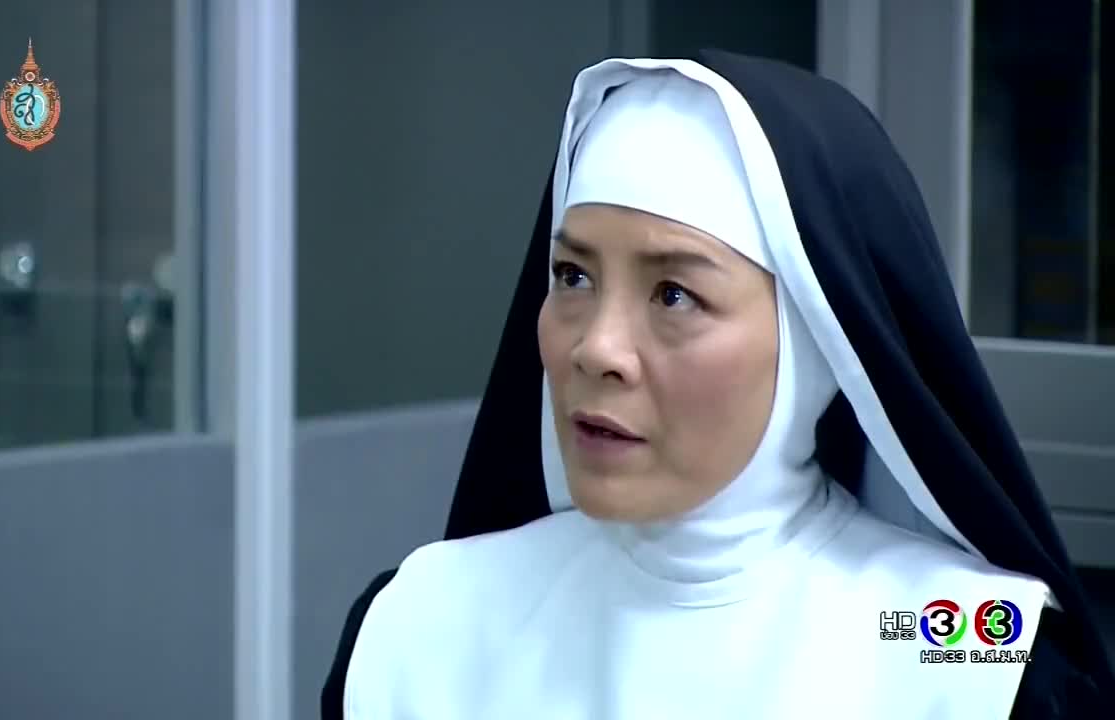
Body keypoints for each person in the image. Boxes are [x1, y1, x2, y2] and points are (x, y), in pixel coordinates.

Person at [322, 52, 1113, 719]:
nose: (597, 349)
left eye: (674, 294)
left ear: (817, 340)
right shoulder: (418, 628)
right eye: (572, 276)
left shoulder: (971, 655)